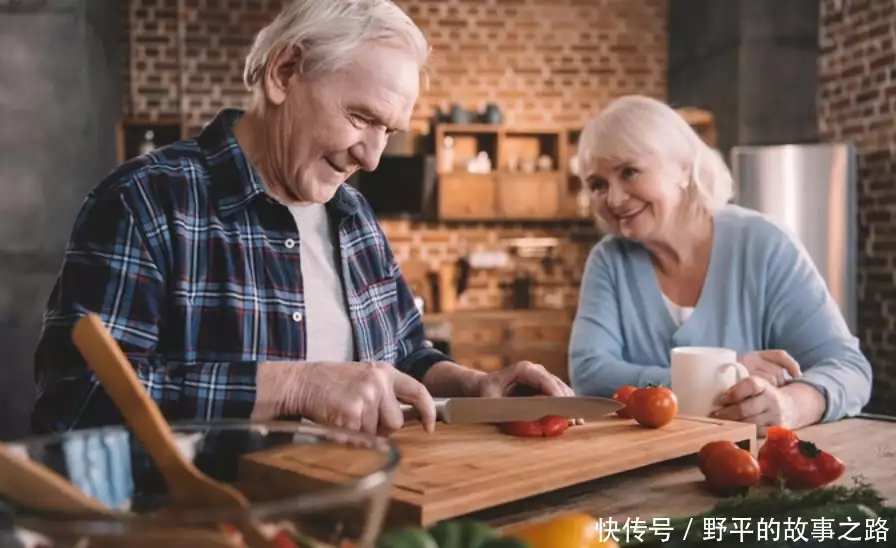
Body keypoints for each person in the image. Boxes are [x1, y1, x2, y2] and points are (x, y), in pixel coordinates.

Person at [32, 0, 574, 437]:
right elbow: (76, 400)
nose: (372, 157)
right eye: (361, 117)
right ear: (284, 72)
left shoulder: (353, 214)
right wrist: (296, 387)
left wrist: (473, 386)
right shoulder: (144, 202)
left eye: (389, 130)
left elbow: (404, 353)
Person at [567, 95, 872, 434]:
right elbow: (590, 375)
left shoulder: (763, 244)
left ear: (683, 167)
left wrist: (791, 405)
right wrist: (717, 375)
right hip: (639, 468)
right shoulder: (609, 262)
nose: (614, 198)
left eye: (629, 172)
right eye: (598, 185)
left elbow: (849, 368)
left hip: (748, 467)